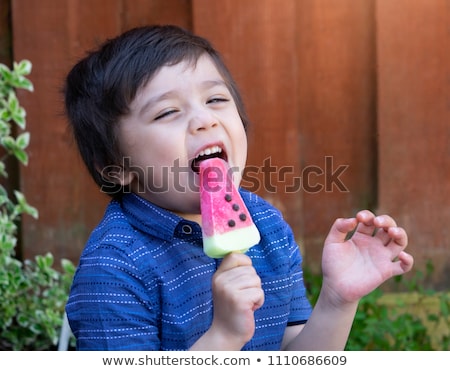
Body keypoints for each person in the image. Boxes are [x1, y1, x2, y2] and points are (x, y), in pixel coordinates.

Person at [63, 25, 414, 351]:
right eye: (168, 111)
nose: (205, 120)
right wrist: (223, 336)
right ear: (115, 167)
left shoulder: (266, 225)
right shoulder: (112, 271)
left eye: (215, 100)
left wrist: (337, 300)